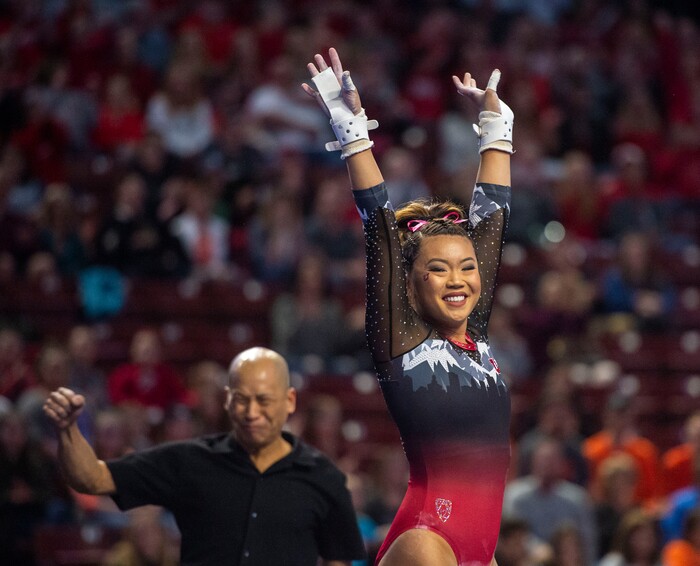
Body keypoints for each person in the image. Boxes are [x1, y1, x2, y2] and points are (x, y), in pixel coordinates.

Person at [303, 47, 512, 565]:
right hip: (428, 539)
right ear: (410, 286)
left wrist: (495, 126)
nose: (459, 280)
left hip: (480, 547)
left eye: (467, 267)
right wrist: (352, 129)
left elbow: (494, 217)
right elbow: (379, 227)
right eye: (438, 270)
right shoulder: (404, 342)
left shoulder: (476, 337)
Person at [43, 346, 365, 566]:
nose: (252, 412)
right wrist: (68, 429)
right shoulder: (189, 462)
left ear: (290, 401)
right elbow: (92, 478)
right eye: (241, 399)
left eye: (264, 400)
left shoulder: (323, 477)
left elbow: (339, 558)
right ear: (226, 400)